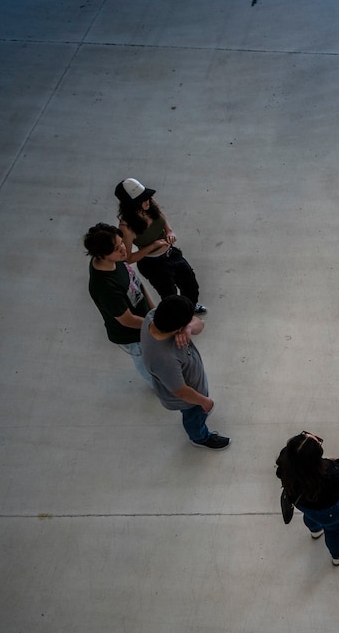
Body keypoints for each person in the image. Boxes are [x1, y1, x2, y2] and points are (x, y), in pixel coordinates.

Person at [140, 294, 230, 450]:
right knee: (194, 417)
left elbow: (199, 324)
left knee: (195, 413)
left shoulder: (152, 317)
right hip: (189, 399)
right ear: (177, 328)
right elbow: (180, 391)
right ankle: (200, 438)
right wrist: (204, 401)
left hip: (192, 383)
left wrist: (188, 328)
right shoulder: (163, 358)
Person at [84, 222, 164, 387]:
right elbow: (127, 320)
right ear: (101, 254)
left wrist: (153, 310)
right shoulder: (104, 287)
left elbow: (137, 284)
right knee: (146, 365)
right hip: (132, 336)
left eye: (121, 243)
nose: (124, 250)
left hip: (146, 321)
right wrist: (157, 325)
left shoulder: (115, 260)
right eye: (116, 248)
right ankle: (159, 387)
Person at [115, 178, 206, 313]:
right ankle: (178, 319)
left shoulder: (149, 204)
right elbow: (128, 258)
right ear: (131, 204)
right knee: (170, 295)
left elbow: (160, 215)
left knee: (190, 284)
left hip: (171, 254)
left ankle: (191, 307)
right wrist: (153, 245)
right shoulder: (126, 227)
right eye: (143, 199)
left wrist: (169, 231)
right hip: (153, 264)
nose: (148, 200)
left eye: (147, 197)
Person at [275, 430, 339, 566]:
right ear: (315, 461)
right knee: (333, 531)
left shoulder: (286, 466)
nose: (313, 436)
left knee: (310, 517)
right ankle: (338, 554)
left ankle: (315, 531)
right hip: (330, 511)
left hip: (303, 504)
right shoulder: (330, 475)